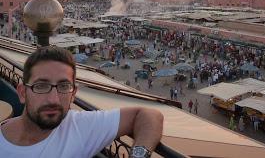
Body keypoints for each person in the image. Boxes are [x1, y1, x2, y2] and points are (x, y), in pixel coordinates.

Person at [0, 46, 164, 158]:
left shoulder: (79, 126)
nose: (53, 99)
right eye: (41, 86)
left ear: (73, 94)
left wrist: (138, 154)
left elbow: (149, 115)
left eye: (64, 86)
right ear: (22, 93)